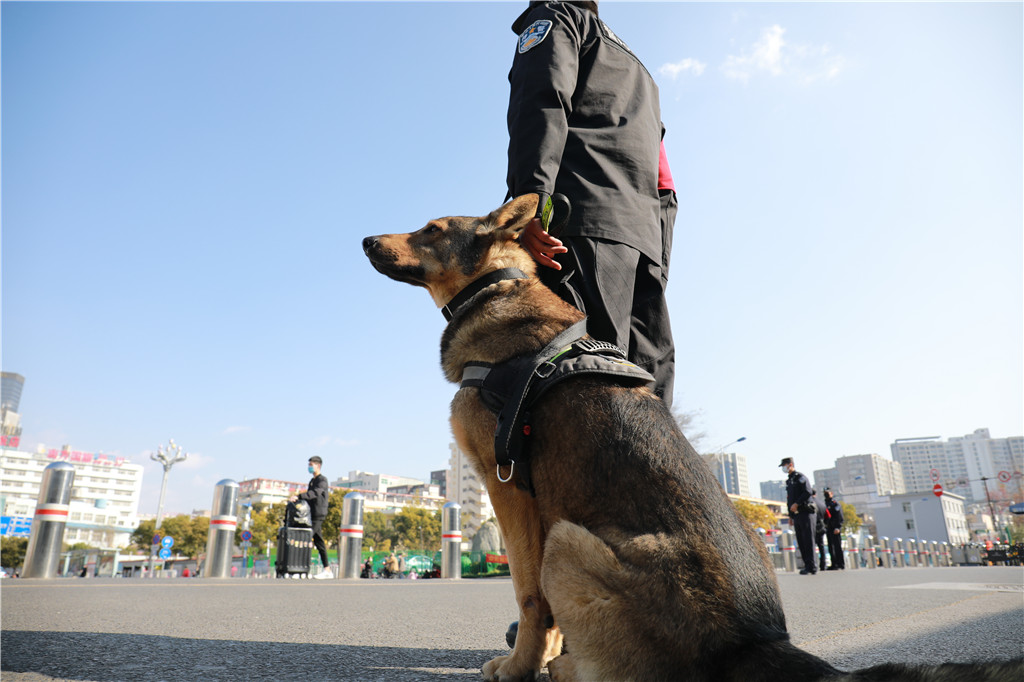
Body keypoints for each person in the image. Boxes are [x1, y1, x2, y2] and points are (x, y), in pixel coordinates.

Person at [505, 0, 677, 407]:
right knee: (648, 404)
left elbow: (542, 101)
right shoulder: (641, 71)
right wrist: (658, 260)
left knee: (578, 388)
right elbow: (665, 181)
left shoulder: (555, 18)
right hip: (641, 244)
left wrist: (531, 206)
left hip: (576, 228)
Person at [289, 456, 332, 580]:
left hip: (318, 514)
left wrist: (299, 496)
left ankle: (299, 568)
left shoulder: (322, 480)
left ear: (318, 466)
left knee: (306, 538)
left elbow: (314, 493)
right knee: (319, 542)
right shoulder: (312, 481)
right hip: (311, 514)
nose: (309, 467)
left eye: (311, 464)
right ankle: (327, 570)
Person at [781, 457, 817, 575]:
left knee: (808, 539)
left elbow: (808, 492)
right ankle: (807, 565)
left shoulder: (800, 477)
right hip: (796, 515)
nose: (783, 468)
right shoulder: (790, 480)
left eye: (784, 465)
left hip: (805, 512)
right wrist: (791, 516)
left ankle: (812, 566)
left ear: (790, 464)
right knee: (801, 541)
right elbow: (789, 499)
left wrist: (797, 503)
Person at [824, 487, 846, 570]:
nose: (826, 494)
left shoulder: (835, 503)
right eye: (825, 493)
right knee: (830, 547)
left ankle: (840, 564)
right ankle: (834, 564)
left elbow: (839, 516)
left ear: (831, 493)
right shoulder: (825, 504)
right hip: (828, 528)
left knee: (837, 547)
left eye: (828, 493)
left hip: (835, 528)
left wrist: (838, 527)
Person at [813, 492, 828, 571]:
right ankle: (823, 564)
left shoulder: (810, 502)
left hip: (813, 526)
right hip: (821, 526)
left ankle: (814, 564)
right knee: (821, 546)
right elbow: (828, 516)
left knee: (812, 546)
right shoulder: (822, 504)